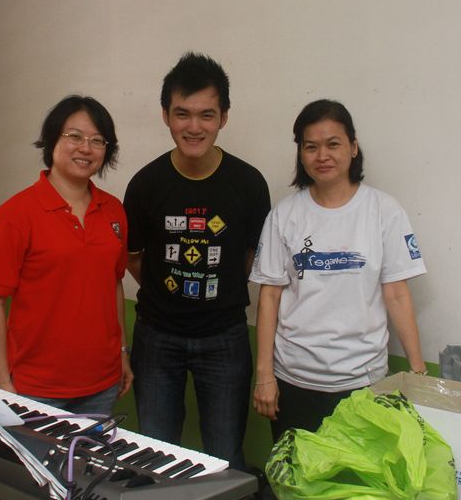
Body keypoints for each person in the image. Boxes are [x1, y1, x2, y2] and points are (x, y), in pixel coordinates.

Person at [0, 95, 132, 500]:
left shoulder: (113, 211)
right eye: (74, 136)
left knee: (83, 492)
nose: (86, 148)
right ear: (52, 142)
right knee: (24, 499)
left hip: (99, 385)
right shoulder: (16, 214)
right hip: (35, 388)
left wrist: (121, 352)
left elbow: (113, 283)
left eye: (97, 140)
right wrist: (3, 383)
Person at [124, 52, 270, 470]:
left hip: (225, 337)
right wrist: (167, 291)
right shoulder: (146, 184)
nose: (194, 127)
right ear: (165, 116)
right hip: (156, 337)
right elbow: (133, 257)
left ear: (223, 117)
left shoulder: (248, 183)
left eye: (206, 115)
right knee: (155, 454)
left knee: (225, 458)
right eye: (182, 114)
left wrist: (216, 289)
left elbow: (250, 257)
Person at [250, 99, 427, 441]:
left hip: (364, 381)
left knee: (358, 474)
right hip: (294, 380)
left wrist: (418, 373)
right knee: (297, 473)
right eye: (311, 147)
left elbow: (397, 294)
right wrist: (264, 376)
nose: (322, 155)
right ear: (301, 153)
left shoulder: (384, 211)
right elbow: (269, 297)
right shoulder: (284, 215)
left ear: (353, 147)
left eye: (333, 144)